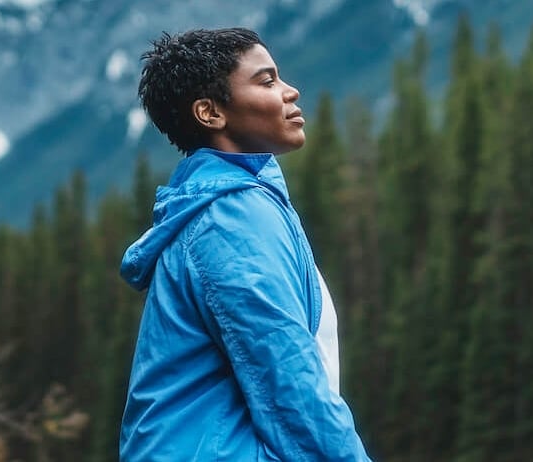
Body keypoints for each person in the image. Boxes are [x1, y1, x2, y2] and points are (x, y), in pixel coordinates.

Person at [118, 27, 371, 461]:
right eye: (266, 81)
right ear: (210, 112)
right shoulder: (230, 218)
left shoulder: (232, 206)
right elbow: (289, 383)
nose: (290, 91)